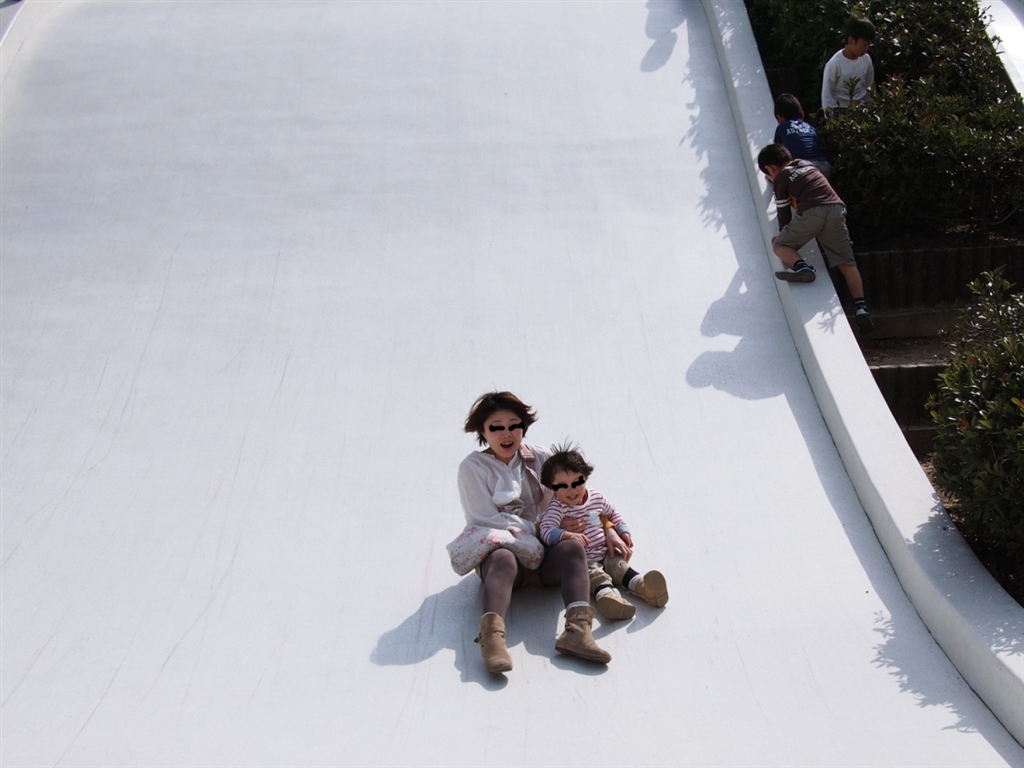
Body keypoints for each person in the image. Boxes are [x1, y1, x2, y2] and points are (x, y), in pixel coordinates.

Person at [456, 392, 619, 674]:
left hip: (544, 558)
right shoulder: (473, 468)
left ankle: (578, 632)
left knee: (572, 547)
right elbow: (485, 519)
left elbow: (579, 495)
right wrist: (539, 528)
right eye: (496, 427)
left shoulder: (540, 457)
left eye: (514, 425)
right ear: (483, 430)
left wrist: (609, 527)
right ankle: (492, 640)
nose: (507, 434)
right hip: (505, 559)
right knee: (503, 557)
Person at [539, 445, 668, 621]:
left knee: (621, 568)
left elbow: (613, 513)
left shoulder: (596, 497)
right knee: (597, 577)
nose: (572, 490)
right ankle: (610, 599)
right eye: (563, 486)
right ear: (552, 488)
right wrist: (566, 535)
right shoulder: (557, 507)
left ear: (585, 477)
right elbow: (546, 530)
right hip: (585, 560)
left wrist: (622, 530)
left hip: (607, 552)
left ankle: (646, 588)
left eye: (577, 482)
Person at [757, 143, 874, 332]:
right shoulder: (808, 165)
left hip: (811, 211)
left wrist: (783, 235)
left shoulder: (781, 177)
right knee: (847, 263)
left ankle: (802, 267)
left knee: (778, 245)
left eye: (768, 176)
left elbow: (783, 213)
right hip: (836, 209)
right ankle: (861, 308)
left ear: (770, 169)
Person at [773, 93, 832, 180]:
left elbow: (776, 153)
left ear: (779, 119)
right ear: (802, 115)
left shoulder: (782, 127)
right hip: (824, 165)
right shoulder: (810, 127)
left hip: (804, 169)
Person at [821, 17, 875, 110]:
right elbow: (826, 95)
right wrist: (830, 115)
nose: (867, 48)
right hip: (840, 111)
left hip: (861, 111)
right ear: (851, 41)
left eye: (869, 45)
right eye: (864, 44)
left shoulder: (866, 60)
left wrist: (871, 109)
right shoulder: (835, 64)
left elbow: (869, 88)